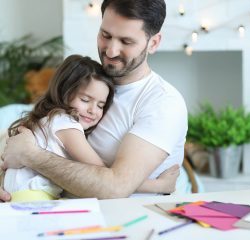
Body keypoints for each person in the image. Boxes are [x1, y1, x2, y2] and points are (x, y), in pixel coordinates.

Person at [0, 0, 187, 201]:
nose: (111, 51)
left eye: (126, 41)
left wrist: (31, 156)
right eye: (105, 36)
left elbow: (116, 188)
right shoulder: (90, 82)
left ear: (153, 43)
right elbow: (35, 132)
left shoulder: (163, 102)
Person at [1, 54, 179, 201]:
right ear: (64, 92)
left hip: (21, 193)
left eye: (101, 105)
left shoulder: (49, 120)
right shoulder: (65, 124)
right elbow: (102, 175)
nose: (93, 110)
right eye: (85, 100)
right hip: (32, 196)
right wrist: (158, 185)